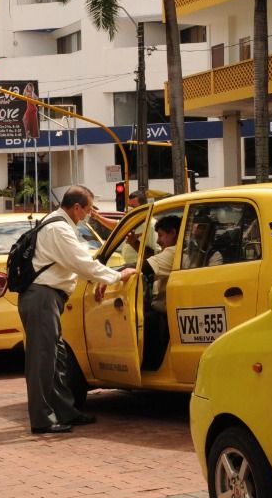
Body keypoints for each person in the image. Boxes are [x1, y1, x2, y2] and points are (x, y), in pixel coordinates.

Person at [20, 185, 136, 434]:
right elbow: (82, 263)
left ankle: (65, 411)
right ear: (76, 207)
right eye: (87, 209)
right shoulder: (59, 228)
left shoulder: (56, 223)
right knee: (42, 361)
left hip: (47, 297)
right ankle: (42, 420)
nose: (88, 214)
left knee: (57, 359)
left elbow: (81, 262)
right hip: (43, 297)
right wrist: (116, 276)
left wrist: (101, 278)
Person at [140, 214, 180, 371]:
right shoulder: (181, 250)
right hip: (168, 312)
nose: (158, 241)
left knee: (145, 320)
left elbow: (144, 267)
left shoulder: (172, 251)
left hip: (162, 315)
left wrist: (114, 274)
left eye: (161, 235)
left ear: (173, 233)